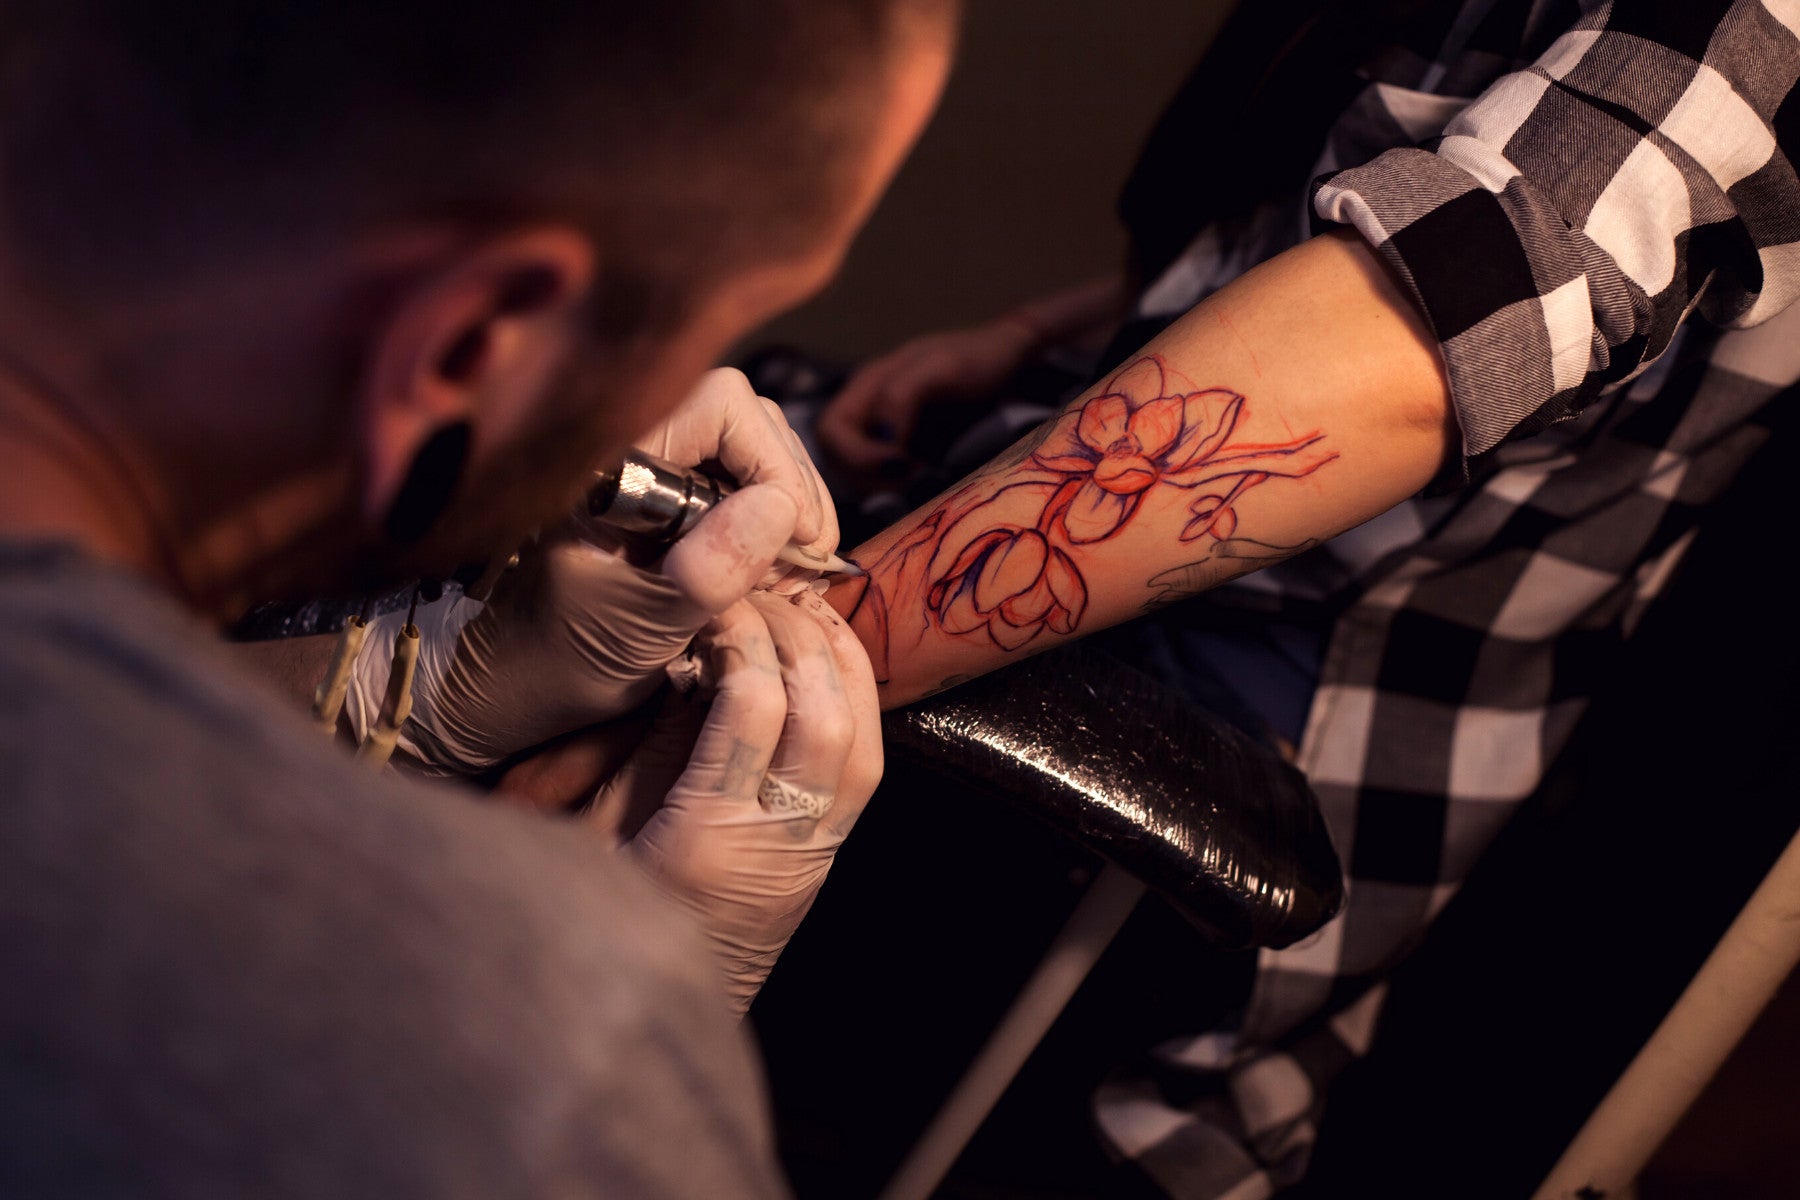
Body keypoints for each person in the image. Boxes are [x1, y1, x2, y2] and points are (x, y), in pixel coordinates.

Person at [789, 0, 1800, 1194]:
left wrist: (777, 659)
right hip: (1074, 514)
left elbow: (1458, 313)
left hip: (1251, 705)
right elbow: (1317, 210)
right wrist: (1035, 334)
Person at [0, 1, 956, 1195]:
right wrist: (625, 1031)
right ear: (465, 345)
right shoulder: (517, 1056)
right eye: (738, 322)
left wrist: (390, 703)